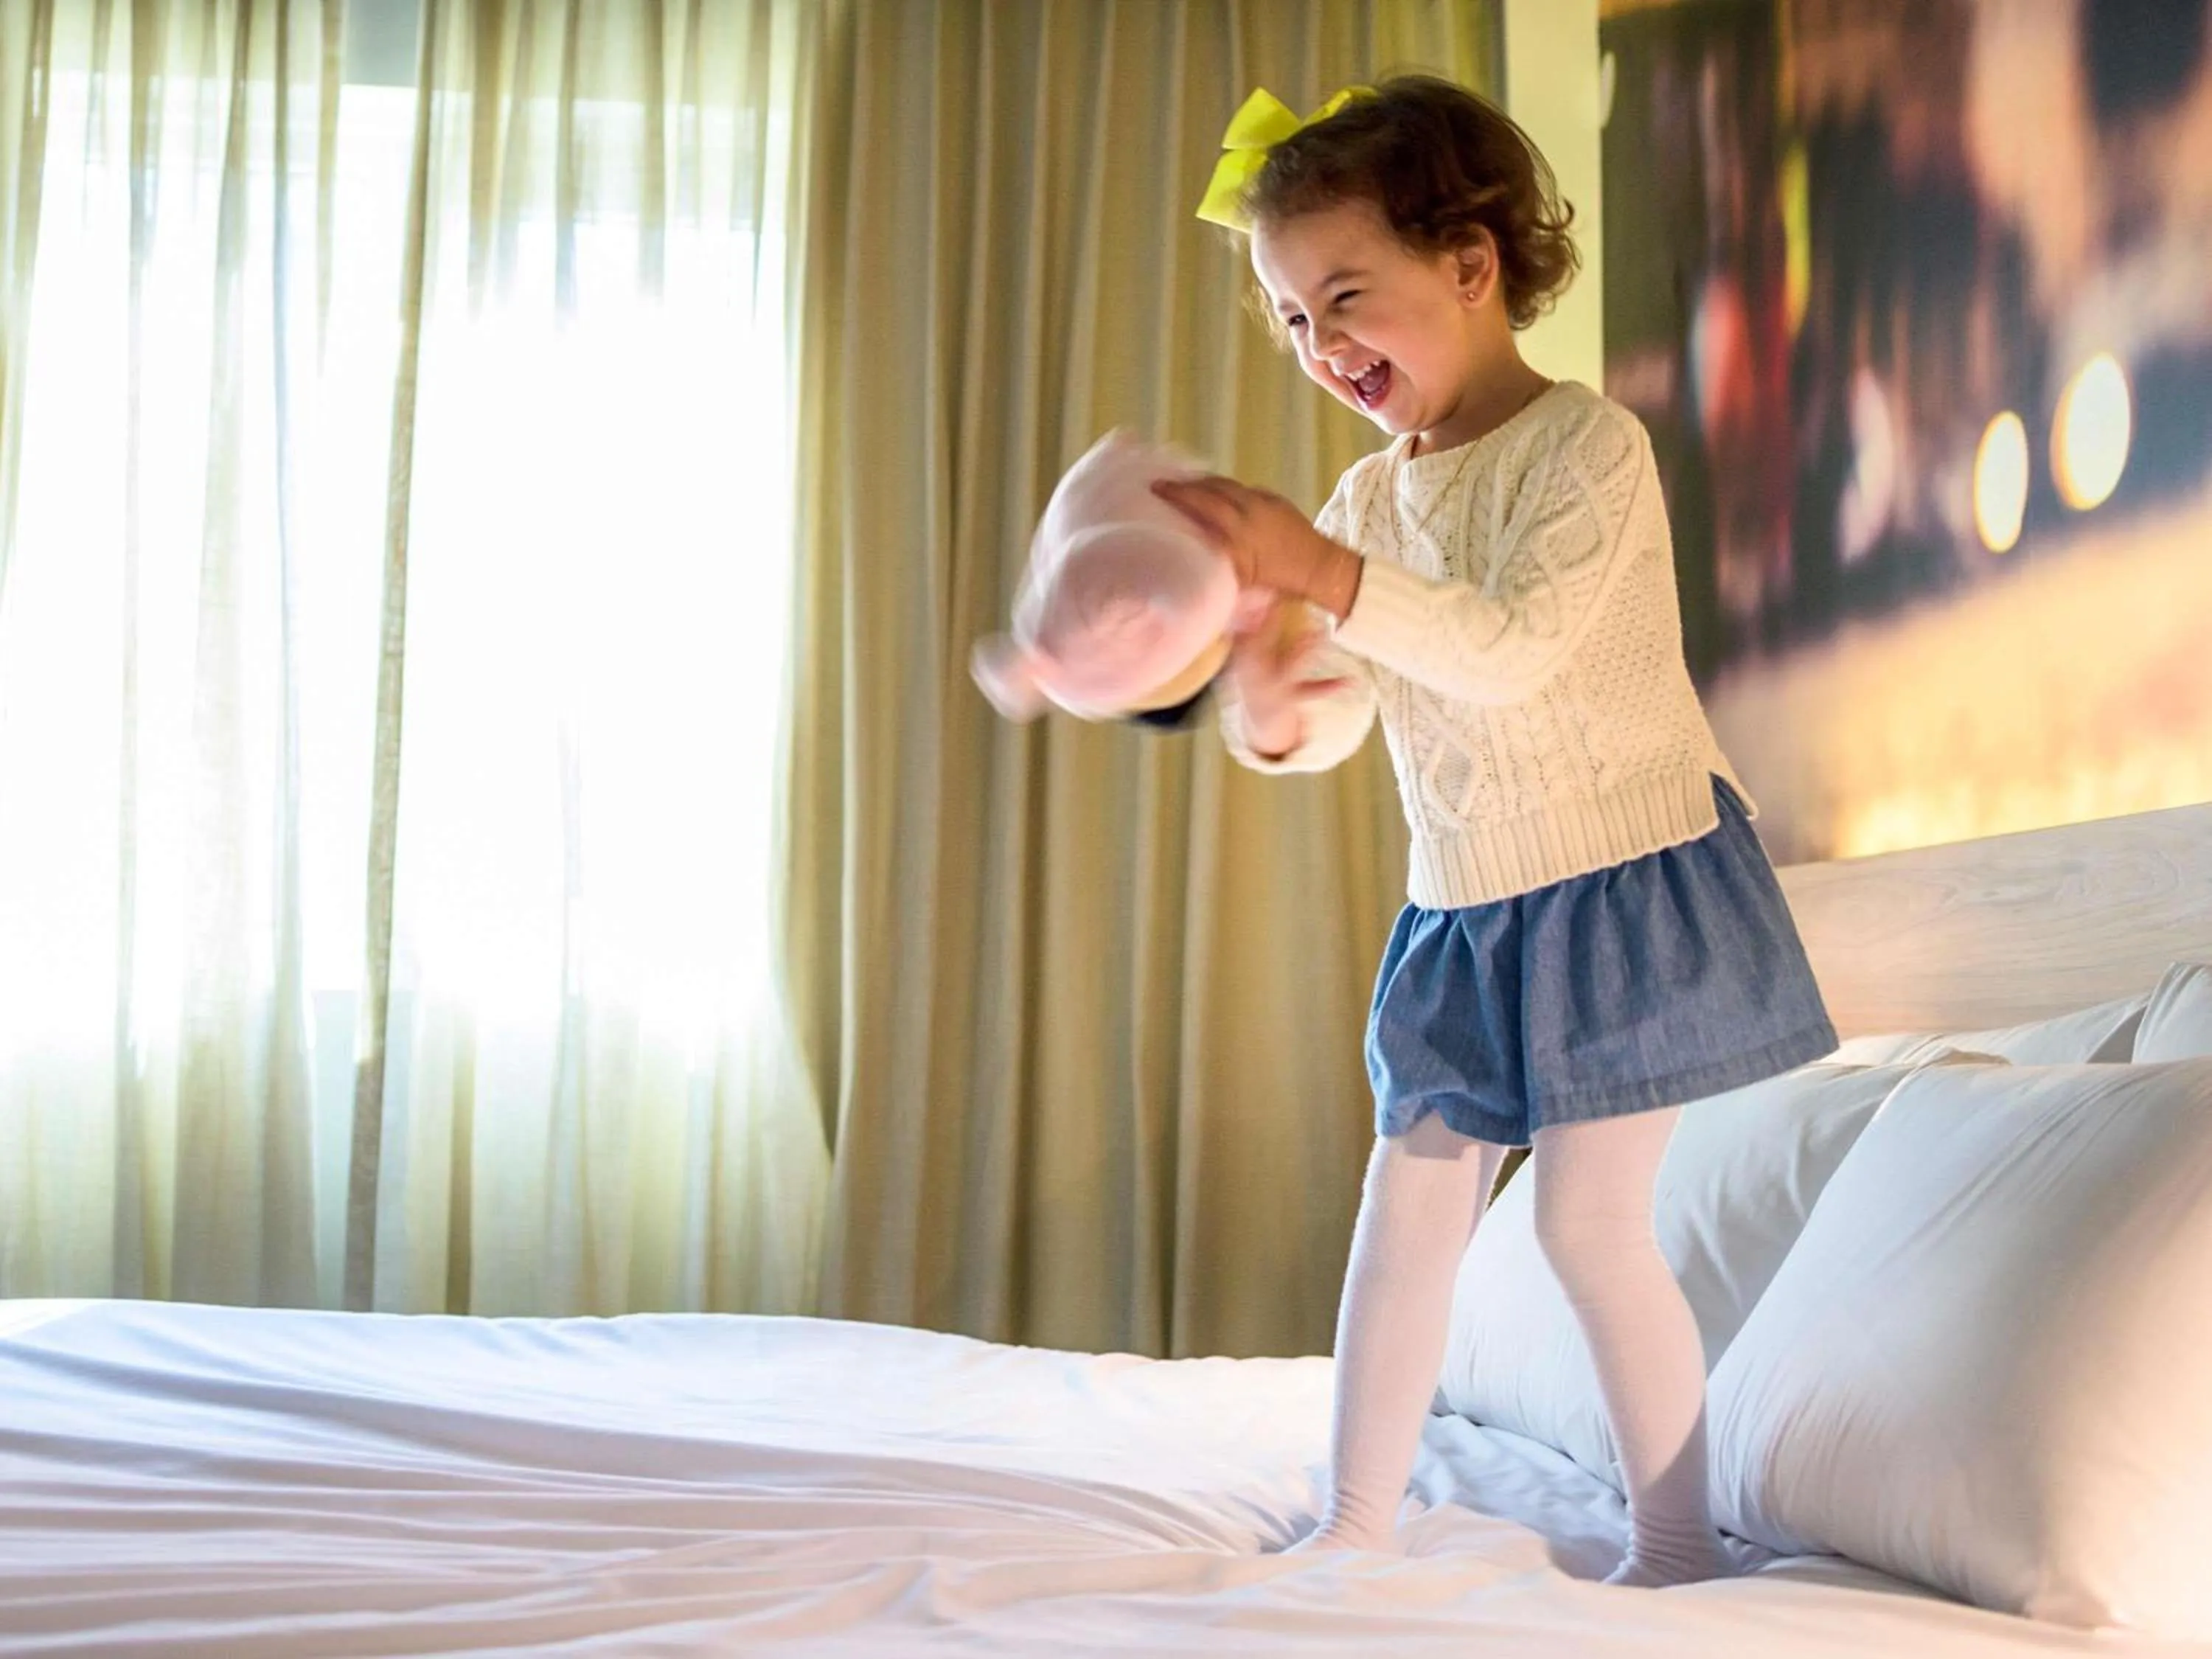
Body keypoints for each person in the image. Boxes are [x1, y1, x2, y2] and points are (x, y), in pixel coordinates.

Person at [1154, 77, 1836, 1588]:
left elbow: (1508, 647)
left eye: (1346, 298)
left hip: (1617, 886)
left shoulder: (1589, 452)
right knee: (1404, 1222)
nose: (1322, 348)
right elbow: (1356, 703)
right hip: (1463, 902)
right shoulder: (1363, 502)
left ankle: (1675, 1545)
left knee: (1590, 1231)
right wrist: (1274, 700)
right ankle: (1354, 1519)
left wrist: (1330, 584)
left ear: (1471, 264)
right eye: (1289, 319)